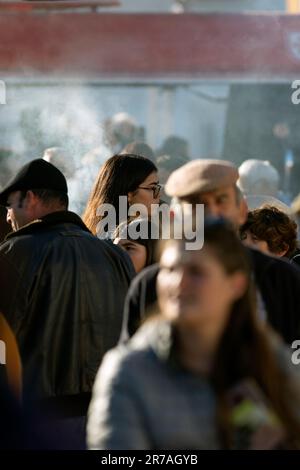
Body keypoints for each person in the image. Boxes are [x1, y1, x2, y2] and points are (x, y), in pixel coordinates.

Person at [87, 220, 300, 450]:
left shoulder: (272, 360)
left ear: (236, 284)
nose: (178, 282)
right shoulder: (130, 370)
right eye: (169, 270)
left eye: (196, 272)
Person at [0, 158, 135, 448]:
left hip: (38, 420)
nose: (8, 216)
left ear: (30, 198)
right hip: (106, 414)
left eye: (10, 205)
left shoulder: (14, 253)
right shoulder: (116, 255)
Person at [121, 159, 300, 344]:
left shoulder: (282, 279)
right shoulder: (150, 286)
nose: (211, 212)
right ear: (174, 216)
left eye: (221, 200)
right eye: (196, 203)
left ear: (242, 211)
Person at [83, 153, 161, 237]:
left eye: (158, 187)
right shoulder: (117, 242)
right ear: (128, 195)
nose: (159, 195)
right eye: (152, 188)